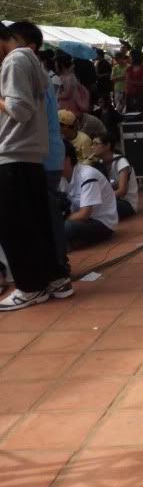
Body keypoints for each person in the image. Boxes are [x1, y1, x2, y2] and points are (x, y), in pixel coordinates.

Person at [0, 22, 71, 311]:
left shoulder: (14, 61)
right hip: (28, 155)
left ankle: (29, 287)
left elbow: (19, 109)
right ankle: (54, 279)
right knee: (37, 222)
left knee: (15, 227)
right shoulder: (30, 61)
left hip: (13, 153)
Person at [62, 139, 118, 248]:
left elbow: (84, 214)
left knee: (66, 227)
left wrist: (59, 222)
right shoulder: (61, 178)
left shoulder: (87, 175)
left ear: (67, 160)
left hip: (101, 223)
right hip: (81, 220)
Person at [91, 131, 139, 218]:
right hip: (110, 200)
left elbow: (122, 191)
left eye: (96, 144)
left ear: (107, 146)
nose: (92, 147)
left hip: (125, 203)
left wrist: (100, 199)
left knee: (96, 209)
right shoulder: (99, 163)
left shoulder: (121, 162)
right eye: (92, 144)